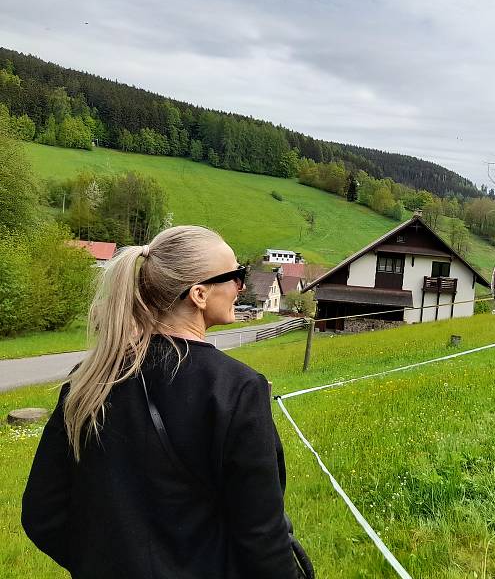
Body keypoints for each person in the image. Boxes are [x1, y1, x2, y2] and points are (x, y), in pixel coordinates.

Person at [21, 225, 306, 578]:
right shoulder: (238, 389)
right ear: (199, 294)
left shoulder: (89, 379)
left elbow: (42, 514)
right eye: (236, 275)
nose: (241, 287)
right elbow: (263, 539)